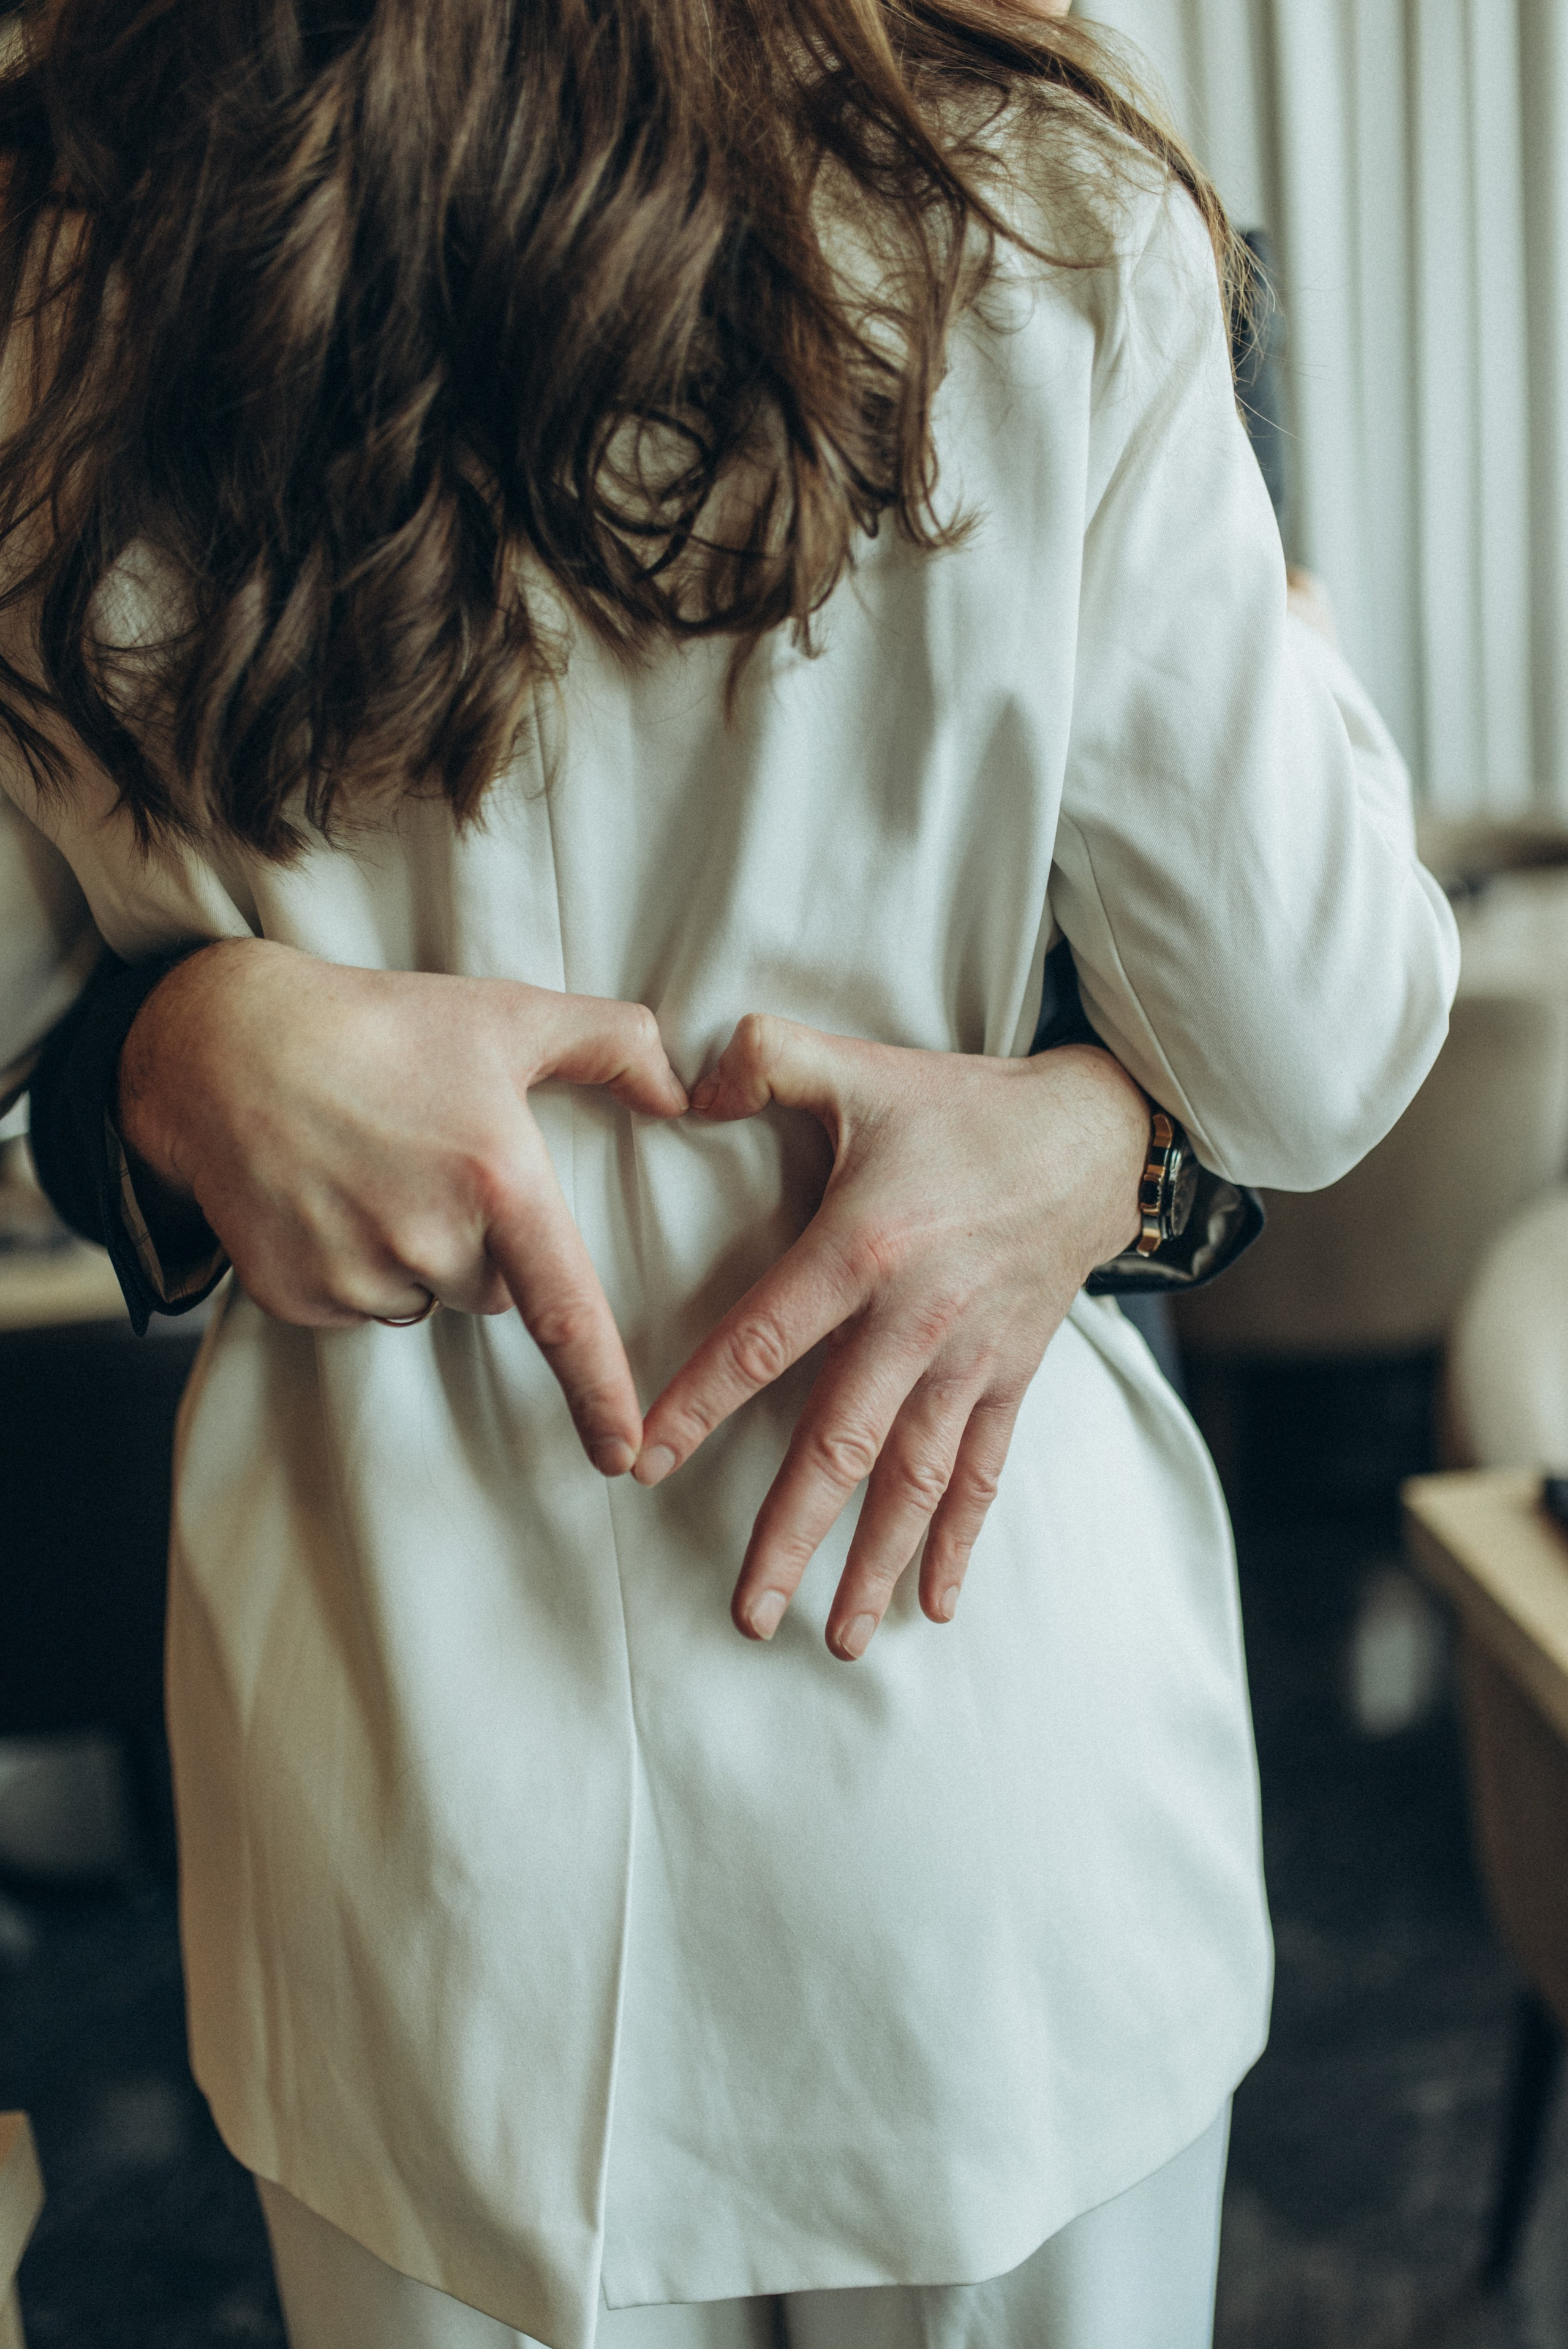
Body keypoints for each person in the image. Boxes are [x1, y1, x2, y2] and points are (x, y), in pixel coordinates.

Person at [0, 4, 1457, 2344]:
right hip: (965, 1721)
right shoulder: (1031, 196)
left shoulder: (67, 254)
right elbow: (1315, 1026)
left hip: (408, 1811)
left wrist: (176, 1004)